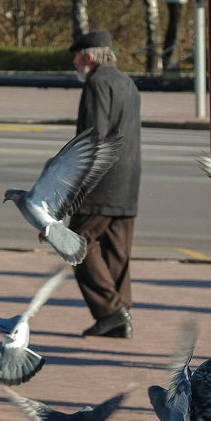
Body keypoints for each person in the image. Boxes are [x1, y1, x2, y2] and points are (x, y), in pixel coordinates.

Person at [68, 29, 142, 339]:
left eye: (76, 56)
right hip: (129, 177)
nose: (74, 62)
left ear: (88, 57)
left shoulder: (97, 84)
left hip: (102, 180)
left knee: (76, 240)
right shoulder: (127, 82)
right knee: (116, 249)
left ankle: (111, 312)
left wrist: (75, 182)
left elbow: (93, 137)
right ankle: (121, 314)